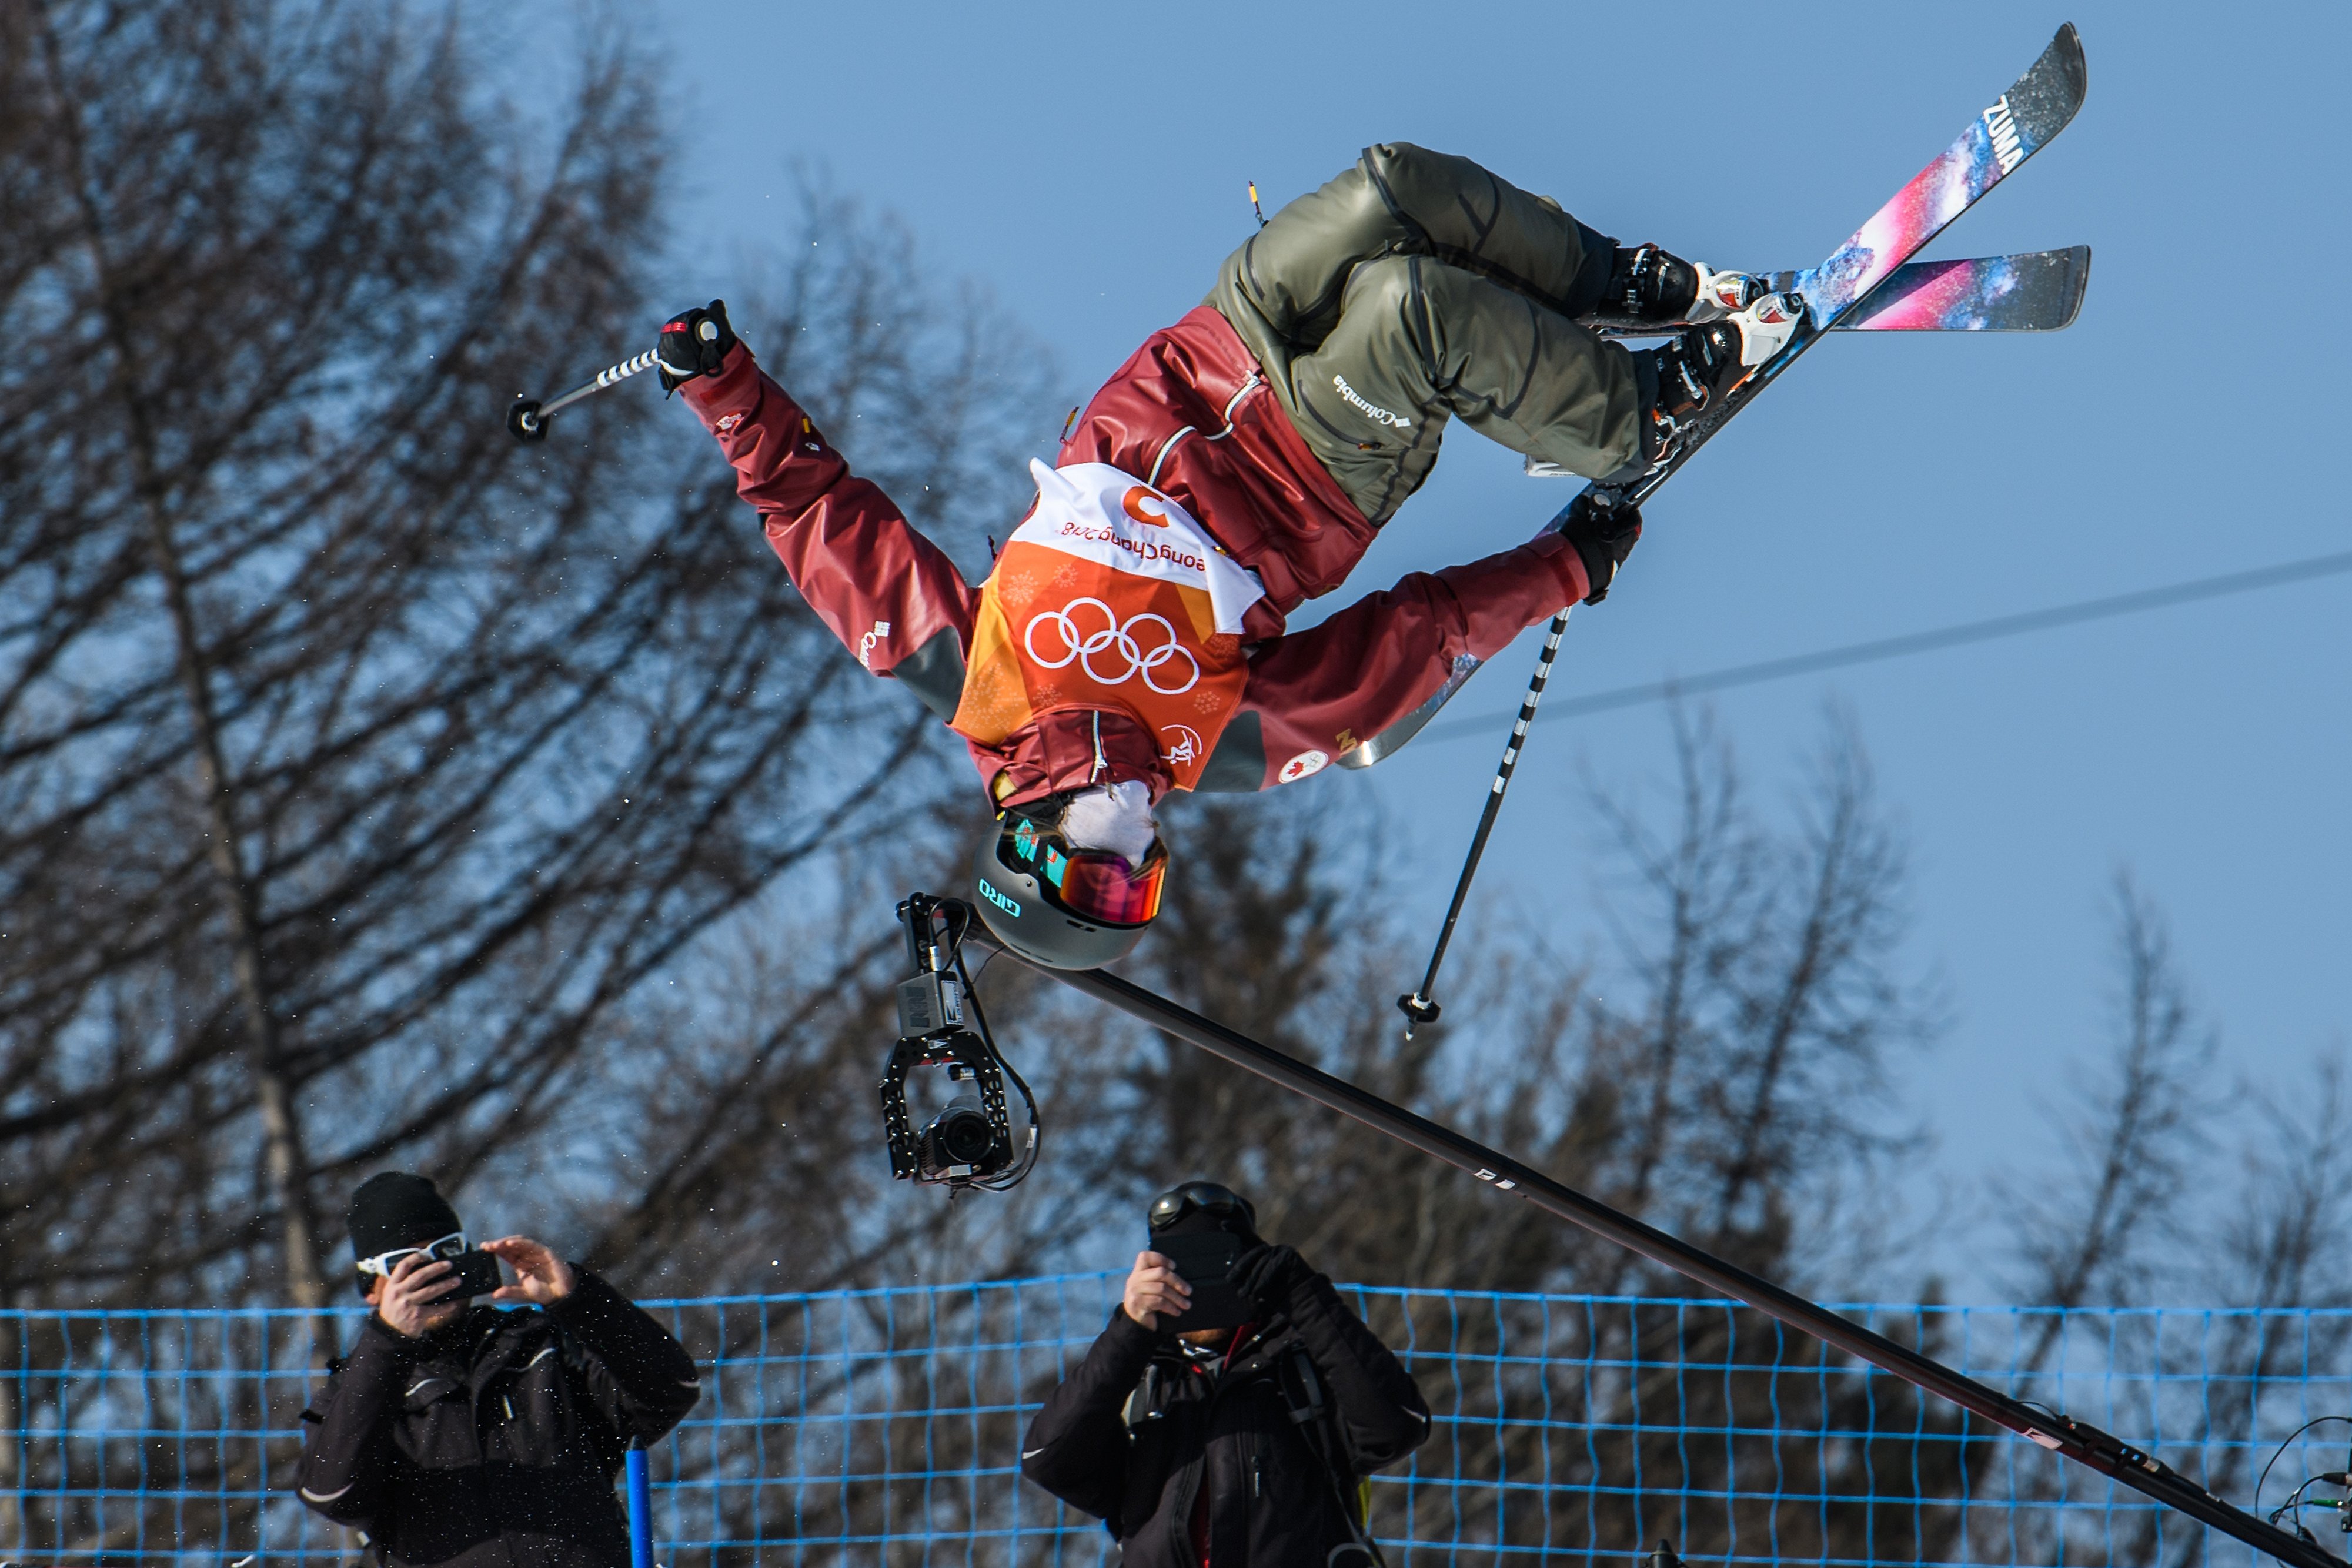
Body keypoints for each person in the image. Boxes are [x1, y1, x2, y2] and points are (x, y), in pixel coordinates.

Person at [657, 142, 1795, 969]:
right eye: (1143, 877)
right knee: (1409, 310)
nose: (1141, 843)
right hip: (1311, 474)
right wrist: (1563, 569)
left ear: (1027, 841)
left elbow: (812, 509)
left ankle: (1615, 285)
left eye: (1106, 868)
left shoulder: (969, 673)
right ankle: (1631, 413)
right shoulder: (1213, 743)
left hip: (1207, 357)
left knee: (1394, 195)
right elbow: (1398, 665)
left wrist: (720, 383)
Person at [295, 1172, 701, 1568]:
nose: (433, 1273)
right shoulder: (355, 1393)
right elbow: (331, 1492)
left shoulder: (545, 1348)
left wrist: (578, 1298)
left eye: (446, 1250)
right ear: (371, 1287)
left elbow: (671, 1388)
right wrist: (389, 1342)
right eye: (408, 1265)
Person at [1018, 1181, 1430, 1566]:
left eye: (1217, 1263)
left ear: (1251, 1262)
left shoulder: (1303, 1364)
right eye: (1182, 1269)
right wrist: (1131, 1328)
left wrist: (1304, 1295)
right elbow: (1047, 1460)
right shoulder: (1143, 1379)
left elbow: (1399, 1426)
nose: (1196, 1285)